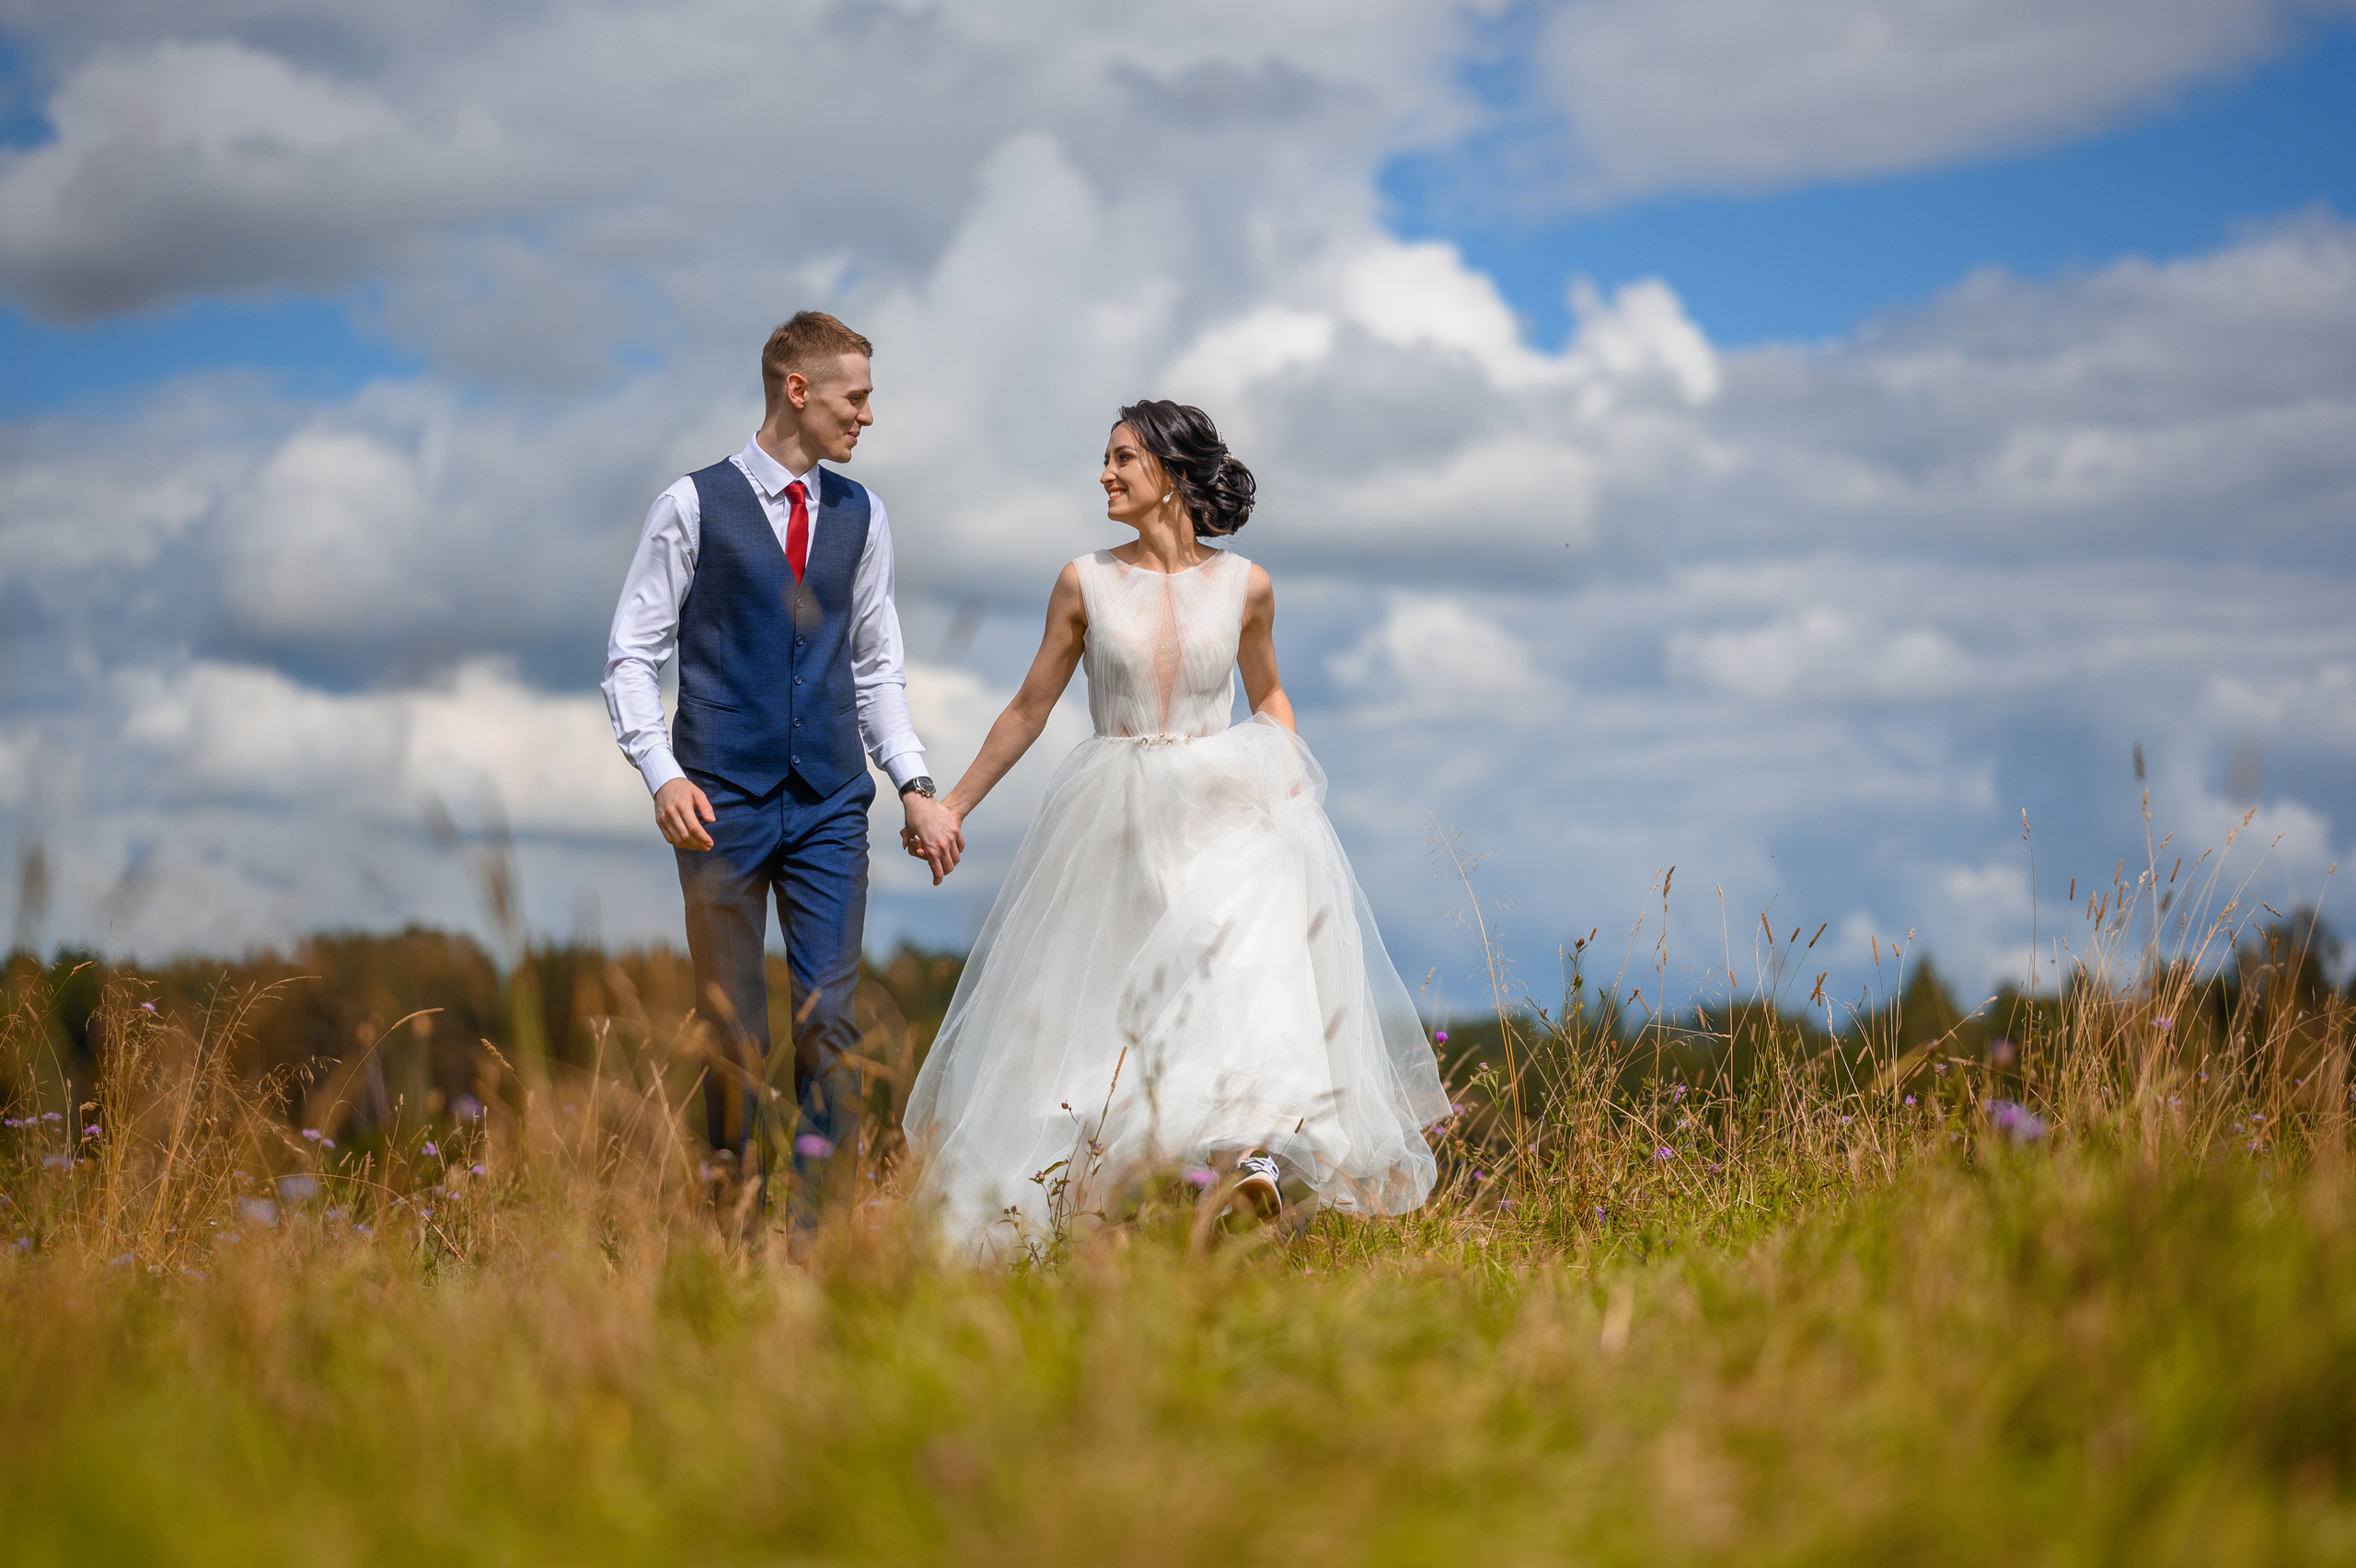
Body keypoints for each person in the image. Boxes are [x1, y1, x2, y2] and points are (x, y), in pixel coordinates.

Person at [902, 399, 1445, 1257]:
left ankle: (1248, 1161)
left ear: (1172, 475)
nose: (1106, 475)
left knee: (1240, 975)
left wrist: (1289, 774)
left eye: (1123, 458)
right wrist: (952, 804)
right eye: (1106, 459)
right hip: (1110, 817)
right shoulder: (1083, 579)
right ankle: (1098, 1211)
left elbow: (1267, 693)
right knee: (1096, 1025)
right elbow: (1029, 706)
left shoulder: (1247, 585)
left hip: (1224, 805)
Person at [602, 312, 963, 1221]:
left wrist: (913, 786)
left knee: (829, 1026)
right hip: (717, 803)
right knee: (733, 1030)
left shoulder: (864, 514)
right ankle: (725, 1215)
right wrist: (662, 773)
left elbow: (877, 664)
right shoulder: (689, 506)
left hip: (833, 805)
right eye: (857, 397)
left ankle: (817, 1232)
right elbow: (630, 658)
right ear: (797, 390)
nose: (867, 418)